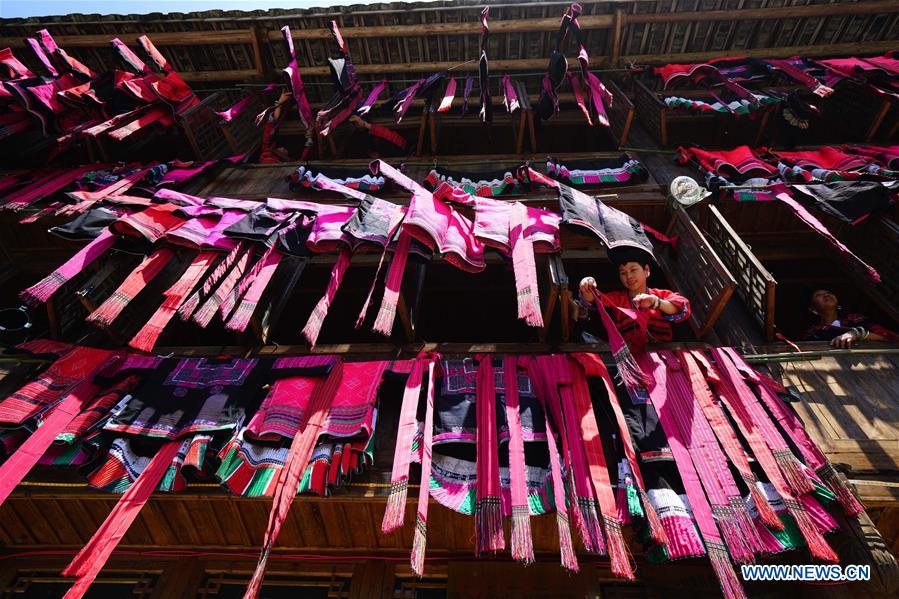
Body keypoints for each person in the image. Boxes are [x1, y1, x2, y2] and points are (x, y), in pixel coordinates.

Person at [571, 247, 691, 348]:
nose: (628, 276)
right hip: (629, 358)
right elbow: (593, 300)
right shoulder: (616, 299)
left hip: (663, 355)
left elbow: (683, 307)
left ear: (646, 270)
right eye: (623, 272)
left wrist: (656, 302)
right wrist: (587, 285)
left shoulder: (661, 295)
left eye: (633, 270)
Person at [802, 288, 898, 348]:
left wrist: (856, 334)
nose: (826, 295)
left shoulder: (856, 319)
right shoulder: (813, 334)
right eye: (818, 295)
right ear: (812, 309)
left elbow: (888, 337)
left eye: (828, 292)